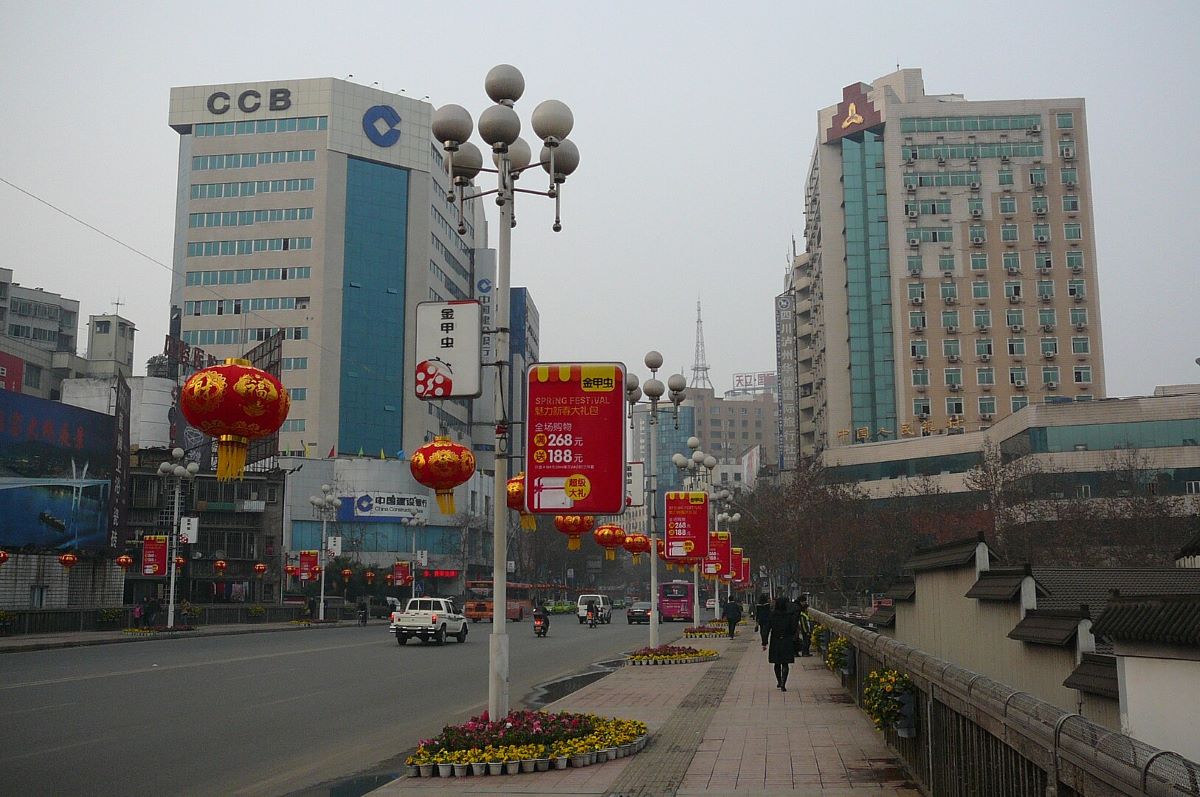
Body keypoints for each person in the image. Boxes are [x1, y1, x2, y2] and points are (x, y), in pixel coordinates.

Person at [767, 595, 800, 690]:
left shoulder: (772, 615)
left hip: (775, 640)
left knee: (776, 663)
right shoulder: (789, 616)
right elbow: (793, 629)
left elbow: (767, 627)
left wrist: (764, 641)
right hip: (786, 640)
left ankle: (778, 681)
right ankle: (783, 683)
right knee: (785, 663)